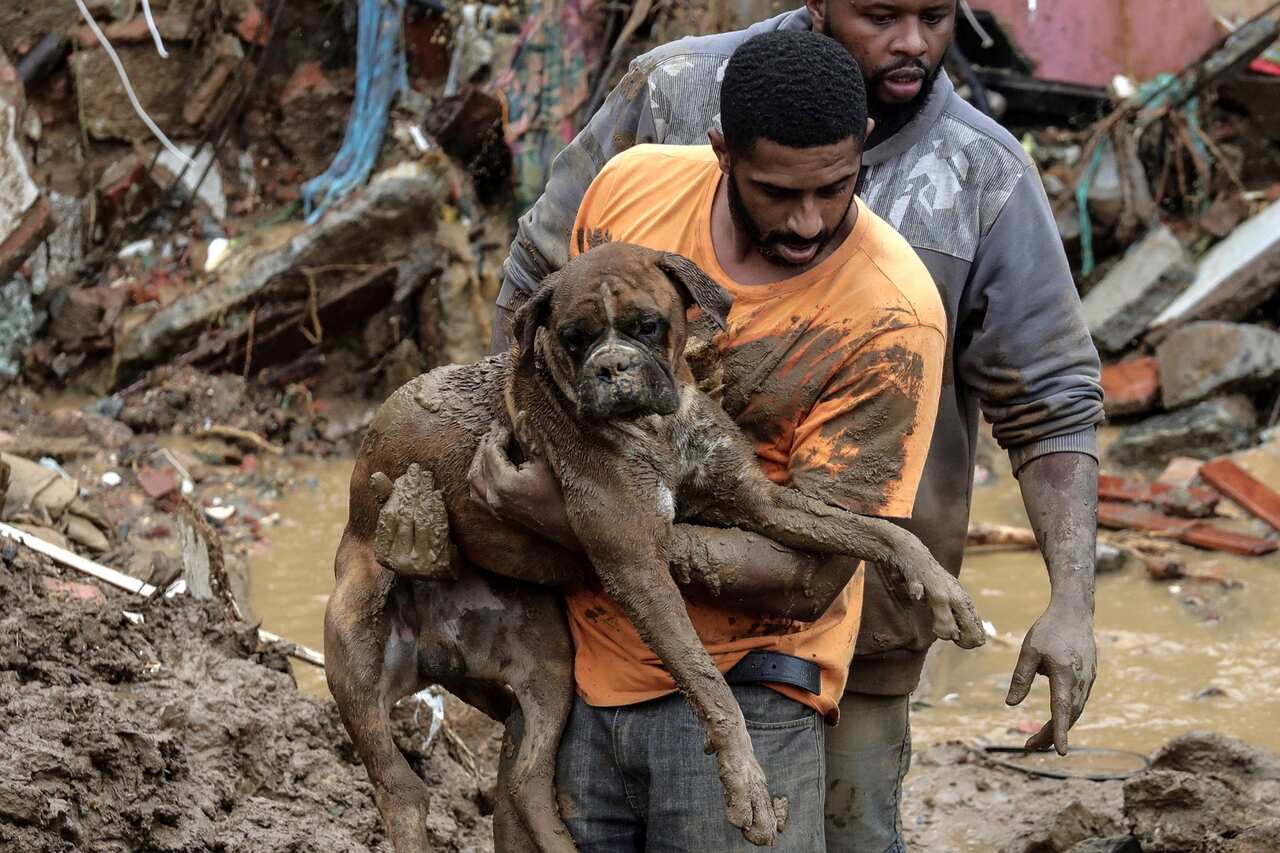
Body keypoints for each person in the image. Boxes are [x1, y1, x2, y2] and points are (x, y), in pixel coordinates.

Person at [479, 2, 1105, 850]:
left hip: (821, 620)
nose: (913, 41)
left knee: (841, 822)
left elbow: (1052, 397)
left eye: (935, 14)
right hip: (595, 612)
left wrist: (1071, 601)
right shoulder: (659, 121)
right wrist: (523, 467)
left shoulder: (963, 203)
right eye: (883, 13)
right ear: (722, 151)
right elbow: (537, 294)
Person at [496, 29, 945, 849]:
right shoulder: (631, 189)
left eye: (836, 189)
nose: (809, 221)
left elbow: (808, 578)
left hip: (754, 685)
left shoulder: (890, 315)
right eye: (776, 192)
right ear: (721, 151)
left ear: (864, 151)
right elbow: (533, 309)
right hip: (574, 670)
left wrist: (579, 525)